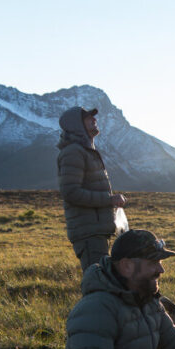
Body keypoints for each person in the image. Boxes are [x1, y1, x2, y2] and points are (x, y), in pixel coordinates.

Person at [57, 106, 127, 271]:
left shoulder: (85, 150)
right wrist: (109, 200)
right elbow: (71, 193)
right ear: (76, 125)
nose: (94, 120)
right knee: (97, 281)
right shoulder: (73, 152)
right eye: (88, 118)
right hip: (89, 234)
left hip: (96, 231)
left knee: (103, 279)